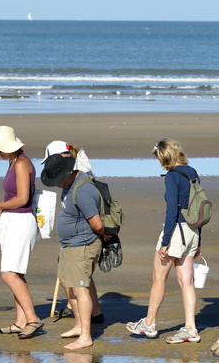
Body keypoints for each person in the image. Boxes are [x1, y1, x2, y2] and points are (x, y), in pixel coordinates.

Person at [128, 138, 201, 343]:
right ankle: (190, 328)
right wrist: (199, 240)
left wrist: (165, 242)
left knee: (158, 278)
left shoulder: (172, 177)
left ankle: (149, 324)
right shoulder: (192, 172)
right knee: (186, 282)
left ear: (164, 157)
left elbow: (171, 212)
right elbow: (199, 206)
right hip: (193, 230)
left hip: (177, 230)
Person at [41, 152, 110, 351]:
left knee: (81, 288)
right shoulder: (70, 184)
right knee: (66, 282)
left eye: (57, 180)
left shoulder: (83, 190)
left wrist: (104, 235)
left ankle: (86, 336)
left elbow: (97, 224)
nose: (56, 184)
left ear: (68, 173)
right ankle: (79, 326)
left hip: (82, 245)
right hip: (70, 246)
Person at [0, 125, 43, 338]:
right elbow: (14, 197)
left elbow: (23, 198)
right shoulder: (13, 161)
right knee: (16, 273)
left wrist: (0, 206)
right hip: (12, 221)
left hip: (20, 221)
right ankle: (20, 321)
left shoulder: (22, 163)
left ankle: (33, 319)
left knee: (8, 274)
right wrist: (0, 207)